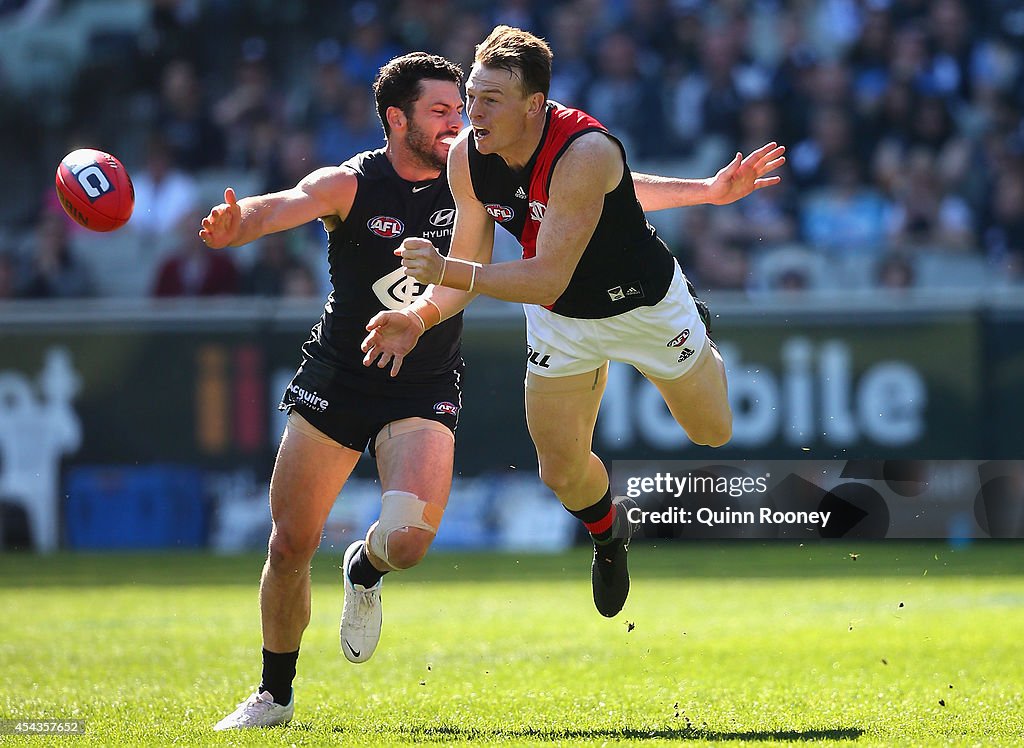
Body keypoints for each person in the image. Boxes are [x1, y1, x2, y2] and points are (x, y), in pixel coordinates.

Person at [362, 26, 784, 624]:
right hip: (563, 322)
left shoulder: (585, 151)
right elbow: (477, 264)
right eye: (471, 95)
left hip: (644, 307)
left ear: (534, 105)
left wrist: (447, 269)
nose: (471, 112)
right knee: (560, 472)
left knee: (712, 431)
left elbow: (542, 275)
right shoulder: (467, 157)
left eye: (489, 100)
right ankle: (610, 537)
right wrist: (419, 314)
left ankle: (699, 328)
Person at [200, 52, 467, 731]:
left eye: (458, 109)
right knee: (289, 545)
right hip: (339, 381)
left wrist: (704, 191)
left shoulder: (474, 178)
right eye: (440, 111)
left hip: (422, 384)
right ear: (395, 118)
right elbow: (282, 205)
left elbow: (587, 186)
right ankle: (275, 695)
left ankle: (365, 567)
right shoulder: (351, 182)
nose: (455, 122)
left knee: (406, 541)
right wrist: (242, 222)